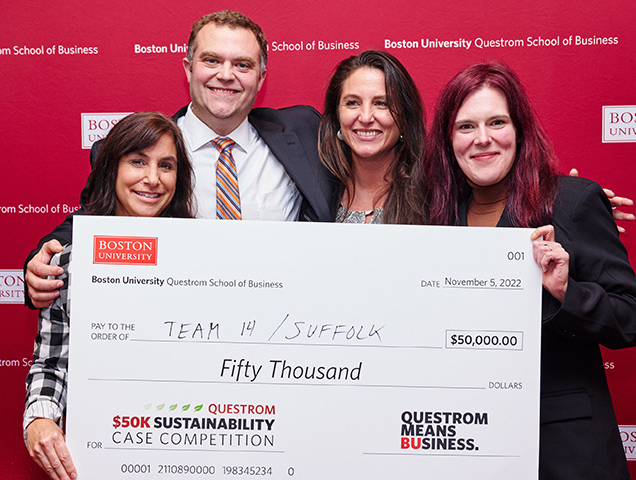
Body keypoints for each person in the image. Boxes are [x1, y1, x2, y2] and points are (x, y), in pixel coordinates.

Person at [423, 62, 636, 479]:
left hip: (563, 450)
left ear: (520, 130)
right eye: (466, 127)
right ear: (448, 140)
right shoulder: (434, 221)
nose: (483, 139)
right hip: (466, 444)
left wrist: (567, 292)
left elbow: (631, 320)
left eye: (497, 122)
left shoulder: (571, 202)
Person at [23, 10, 334, 308]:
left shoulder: (304, 132)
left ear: (261, 76)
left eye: (242, 65)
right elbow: (93, 218)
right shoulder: (137, 155)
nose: (225, 75)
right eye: (211, 60)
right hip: (174, 333)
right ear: (188, 68)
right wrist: (40, 263)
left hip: (273, 330)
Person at [23, 112, 195, 480]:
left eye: (166, 166)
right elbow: (51, 361)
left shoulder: (199, 259)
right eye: (137, 161)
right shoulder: (71, 258)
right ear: (111, 168)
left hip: (188, 447)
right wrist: (38, 419)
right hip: (105, 451)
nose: (152, 178)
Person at [318, 50, 427, 224]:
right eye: (353, 103)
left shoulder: (434, 199)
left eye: (381, 103)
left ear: (404, 117)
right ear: (336, 115)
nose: (366, 117)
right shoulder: (314, 197)